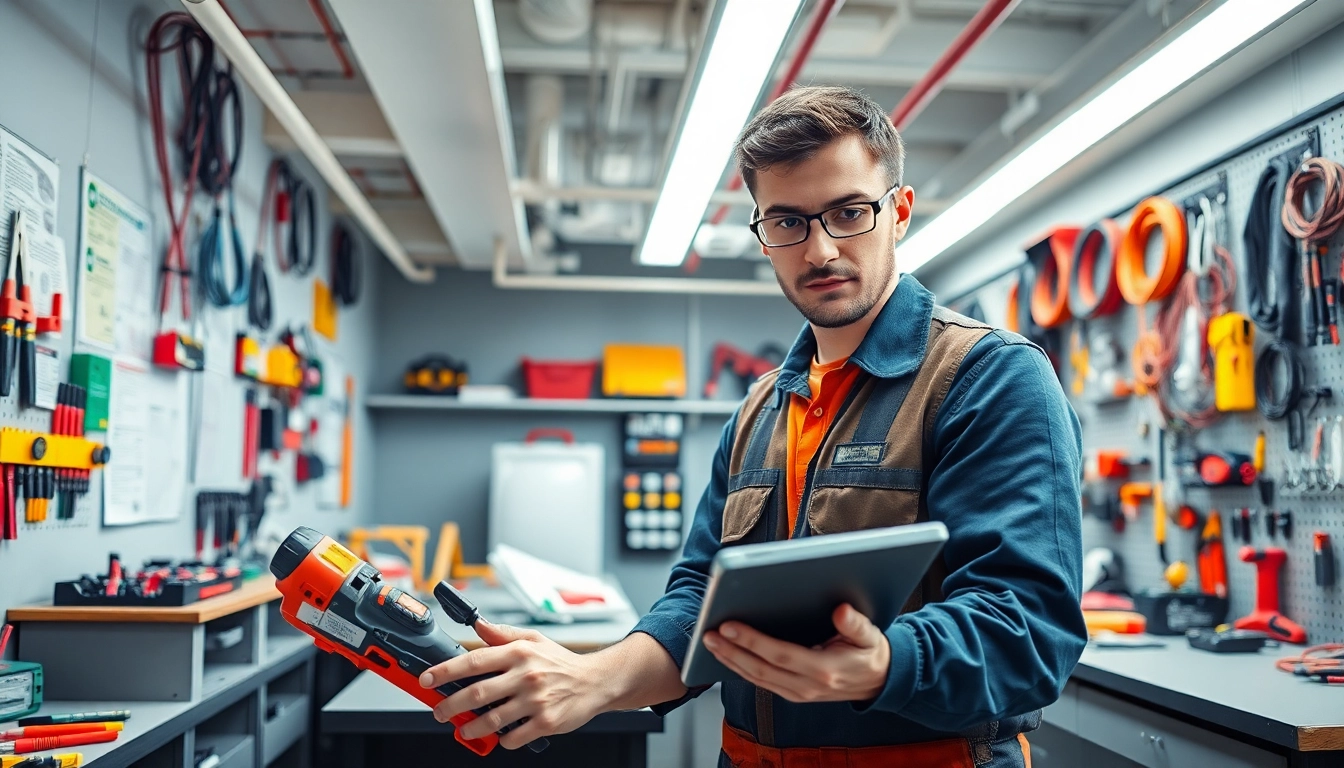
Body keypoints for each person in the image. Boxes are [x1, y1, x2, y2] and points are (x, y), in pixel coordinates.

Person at [419, 85, 1087, 767]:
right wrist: (594, 678)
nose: (820, 249)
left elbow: (1031, 632)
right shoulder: (759, 409)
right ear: (764, 235)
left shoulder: (989, 378)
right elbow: (699, 605)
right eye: (788, 221)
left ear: (900, 212)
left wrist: (884, 664)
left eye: (849, 213)